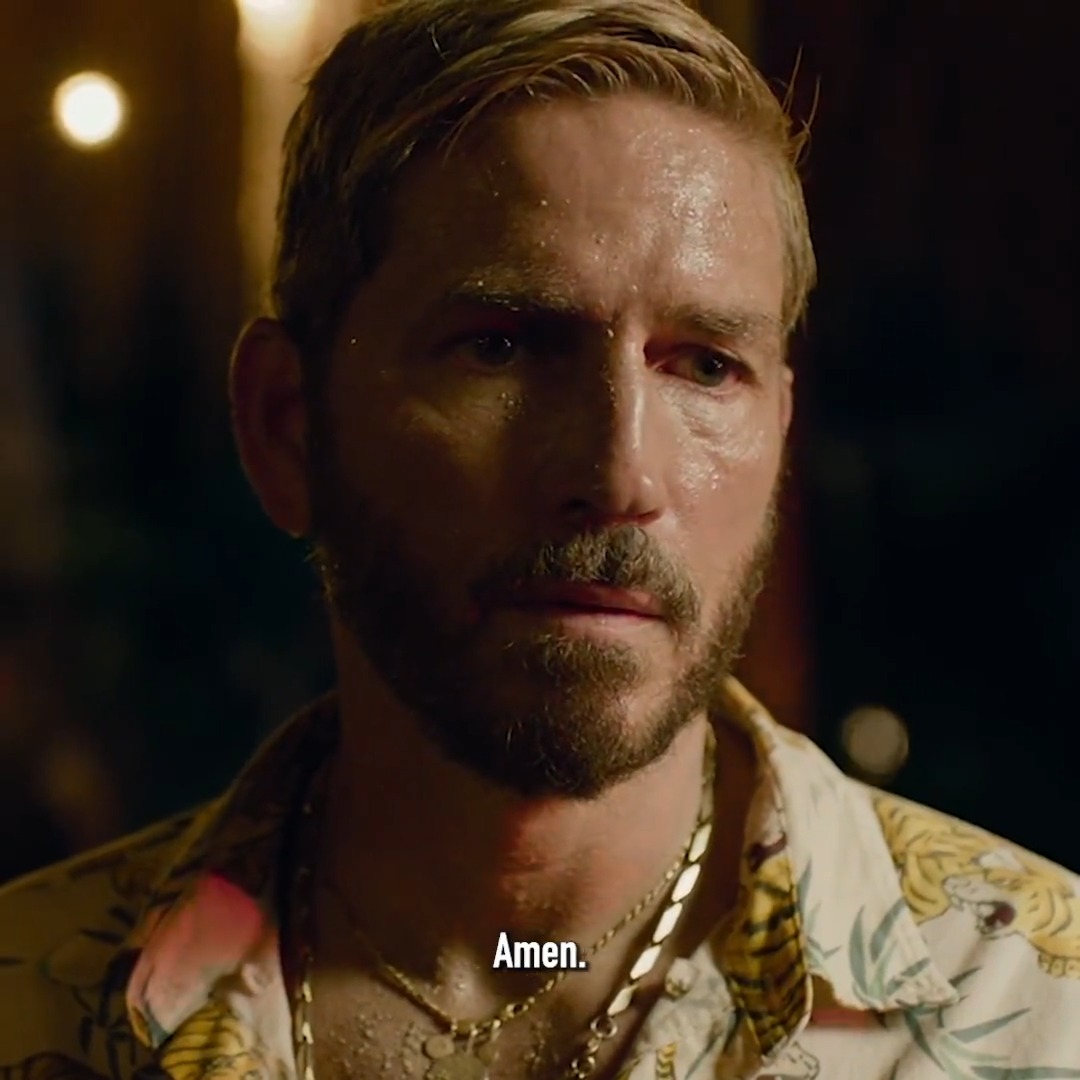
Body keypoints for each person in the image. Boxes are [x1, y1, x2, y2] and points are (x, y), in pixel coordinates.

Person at [2, 0, 1078, 1076]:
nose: (620, 475)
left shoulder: (1043, 1005)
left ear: (781, 435)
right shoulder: (30, 999)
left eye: (706, 366)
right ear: (290, 425)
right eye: (503, 347)